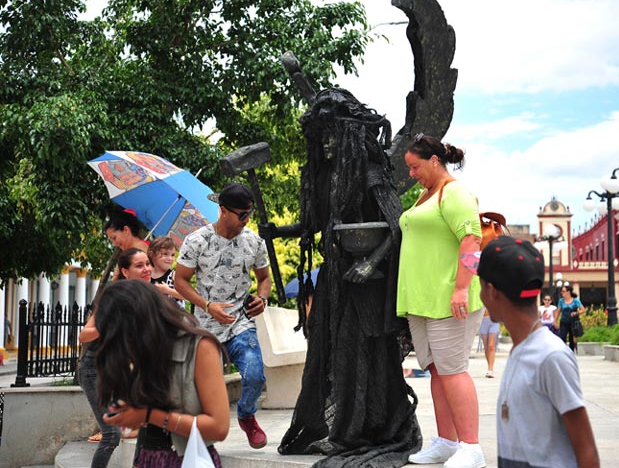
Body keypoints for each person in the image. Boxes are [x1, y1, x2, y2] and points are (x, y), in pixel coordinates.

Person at [263, 88, 421, 468]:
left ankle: (355, 432)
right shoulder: (329, 176)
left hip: (365, 283)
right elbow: (315, 223)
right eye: (322, 136)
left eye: (333, 134)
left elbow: (395, 228)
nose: (327, 143)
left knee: (357, 353)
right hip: (334, 279)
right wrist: (278, 231)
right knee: (329, 351)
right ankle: (335, 429)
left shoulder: (369, 173)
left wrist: (371, 263)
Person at [397, 133, 487, 468]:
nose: (412, 174)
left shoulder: (455, 192)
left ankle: (471, 447)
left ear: (434, 161)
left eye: (415, 166)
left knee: (453, 371)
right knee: (437, 371)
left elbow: (472, 240)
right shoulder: (425, 196)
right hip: (422, 300)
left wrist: (461, 288)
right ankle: (448, 442)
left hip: (450, 299)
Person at [477, 236, 600, 468]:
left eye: (480, 287)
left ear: (492, 291)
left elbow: (587, 452)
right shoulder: (521, 349)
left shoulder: (551, 357)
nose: (480, 297)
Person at [174, 182, 271, 450]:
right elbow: (180, 280)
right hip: (205, 327)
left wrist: (262, 299)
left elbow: (264, 279)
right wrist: (206, 305)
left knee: (255, 375)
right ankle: (205, 440)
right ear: (223, 211)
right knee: (203, 391)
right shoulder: (197, 241)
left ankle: (246, 415)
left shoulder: (254, 242)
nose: (247, 219)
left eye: (249, 213)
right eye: (242, 214)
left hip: (240, 323)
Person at [93, 280, 230, 467]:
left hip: (186, 459)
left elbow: (219, 427)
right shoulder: (145, 347)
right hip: (148, 458)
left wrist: (148, 415)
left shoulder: (200, 346)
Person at [78, 248, 152, 465]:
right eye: (139, 265)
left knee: (147, 421)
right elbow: (84, 335)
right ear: (125, 272)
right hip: (95, 369)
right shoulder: (113, 296)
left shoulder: (143, 297)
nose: (147, 269)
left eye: (147, 263)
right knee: (111, 434)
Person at [148, 236, 186, 309]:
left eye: (172, 255)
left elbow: (185, 295)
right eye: (165, 254)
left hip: (173, 316)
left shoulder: (173, 275)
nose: (170, 259)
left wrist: (168, 290)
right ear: (152, 255)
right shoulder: (148, 274)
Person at [558, 285, 585, 353]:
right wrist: (555, 320)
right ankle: (563, 352)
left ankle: (571, 353)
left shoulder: (575, 300)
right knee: (562, 337)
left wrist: (576, 313)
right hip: (563, 321)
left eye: (563, 291)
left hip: (573, 322)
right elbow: (558, 311)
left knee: (571, 338)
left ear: (568, 292)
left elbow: (583, 310)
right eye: (562, 291)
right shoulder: (561, 301)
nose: (562, 293)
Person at [479, 309, 500, 378]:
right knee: (486, 347)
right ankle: (489, 366)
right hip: (483, 321)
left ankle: (490, 369)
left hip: (494, 321)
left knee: (491, 345)